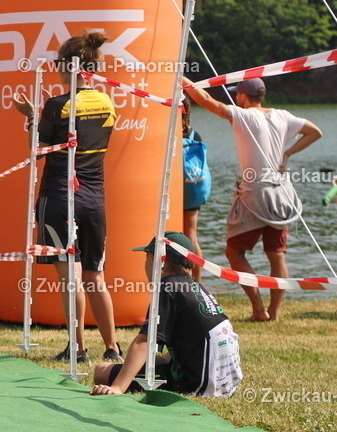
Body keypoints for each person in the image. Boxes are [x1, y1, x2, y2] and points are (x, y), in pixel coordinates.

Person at [12, 32, 122, 364]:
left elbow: (38, 145)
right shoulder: (107, 103)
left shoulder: (58, 105)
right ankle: (113, 347)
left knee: (69, 276)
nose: (56, 69)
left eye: (59, 63)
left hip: (60, 197)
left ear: (69, 66)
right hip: (94, 201)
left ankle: (77, 348)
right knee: (95, 277)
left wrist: (31, 115)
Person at [182, 77, 323, 321]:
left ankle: (259, 309)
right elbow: (315, 132)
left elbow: (205, 100)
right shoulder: (283, 115)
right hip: (283, 193)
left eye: (237, 93)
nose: (235, 97)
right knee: (277, 254)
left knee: (234, 251)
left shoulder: (244, 116)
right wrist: (287, 153)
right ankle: (275, 313)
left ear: (244, 97)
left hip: (255, 193)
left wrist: (182, 79)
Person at [90, 231, 242, 397]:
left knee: (101, 371)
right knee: (157, 361)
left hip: (196, 383)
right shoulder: (193, 287)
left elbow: (144, 342)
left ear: (159, 262)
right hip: (226, 381)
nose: (145, 264)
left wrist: (118, 387)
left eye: (147, 257)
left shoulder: (166, 288)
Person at [181, 97, 211, 275]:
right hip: (193, 188)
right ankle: (197, 284)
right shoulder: (194, 134)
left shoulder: (169, 132)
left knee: (178, 236)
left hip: (177, 190)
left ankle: (186, 281)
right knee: (191, 236)